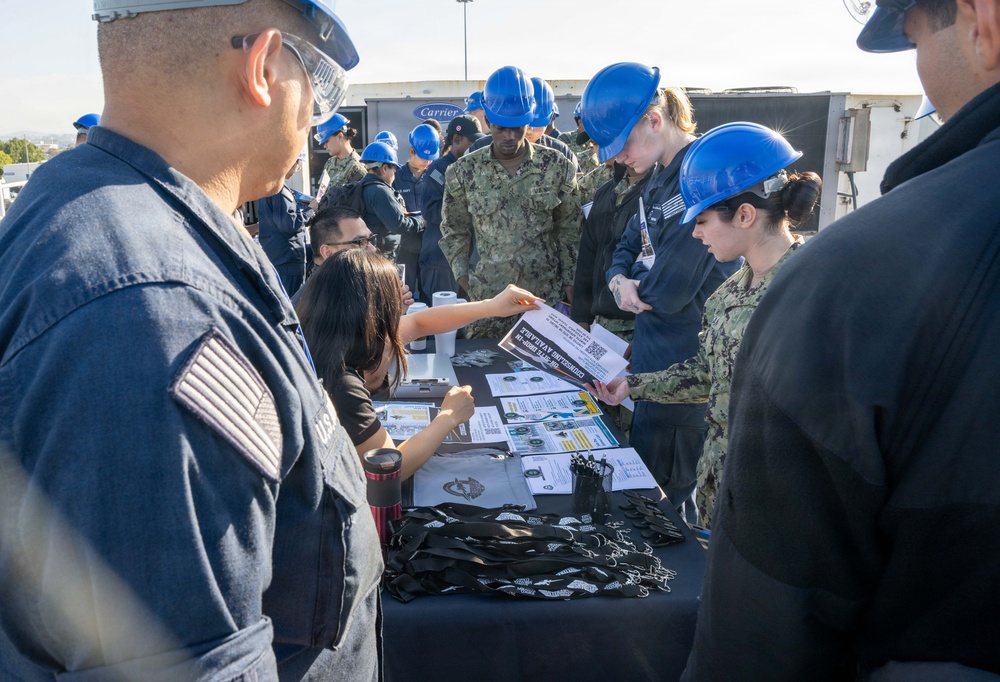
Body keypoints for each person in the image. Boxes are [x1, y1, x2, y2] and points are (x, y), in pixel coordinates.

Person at [0, 1, 382, 681]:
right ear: (262, 66)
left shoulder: (134, 214)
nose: (316, 117)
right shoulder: (150, 317)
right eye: (318, 83)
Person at [682, 1, 1000, 678]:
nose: (695, 235)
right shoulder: (737, 295)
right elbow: (707, 382)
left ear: (983, 23)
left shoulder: (842, 286)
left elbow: (776, 613)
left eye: (915, 39)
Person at [588, 122, 820, 529]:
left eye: (703, 220)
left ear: (744, 215)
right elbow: (707, 373)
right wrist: (634, 386)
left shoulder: (809, 297)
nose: (694, 233)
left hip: (770, 510)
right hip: (721, 495)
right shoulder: (730, 291)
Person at [585, 62, 741, 520]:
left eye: (622, 145)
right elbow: (628, 243)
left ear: (655, 120)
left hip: (683, 369)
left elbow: (670, 289)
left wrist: (635, 282)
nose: (617, 159)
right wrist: (618, 279)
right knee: (646, 493)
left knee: (666, 507)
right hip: (653, 361)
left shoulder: (701, 176)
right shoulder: (656, 175)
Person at [296, 249, 542, 479]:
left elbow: (419, 324)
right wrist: (448, 417)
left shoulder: (322, 338)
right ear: (372, 312)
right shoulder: (341, 384)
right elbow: (389, 468)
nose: (401, 310)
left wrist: (492, 306)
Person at [440, 65, 582, 338]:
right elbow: (453, 230)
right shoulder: (462, 172)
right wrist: (465, 280)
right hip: (488, 302)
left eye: (517, 128)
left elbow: (570, 231)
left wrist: (570, 285)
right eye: (501, 128)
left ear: (529, 121)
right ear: (488, 121)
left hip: (542, 300)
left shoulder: (557, 167)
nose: (509, 136)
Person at [416, 114, 484, 300]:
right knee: (441, 316)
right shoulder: (439, 169)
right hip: (440, 259)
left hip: (464, 259)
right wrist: (468, 210)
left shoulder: (471, 167)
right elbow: (431, 210)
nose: (475, 147)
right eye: (471, 142)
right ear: (456, 139)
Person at [468, 77, 579, 168]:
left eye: (537, 127)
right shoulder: (478, 149)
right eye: (524, 125)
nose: (529, 131)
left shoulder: (561, 153)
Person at [357, 140, 424, 265]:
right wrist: (421, 220)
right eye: (393, 170)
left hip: (368, 255)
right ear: (384, 168)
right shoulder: (380, 191)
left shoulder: (363, 186)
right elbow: (399, 225)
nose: (394, 175)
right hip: (379, 258)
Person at [392, 124, 441, 298]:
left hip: (431, 244)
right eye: (423, 157)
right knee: (406, 290)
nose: (427, 162)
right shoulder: (396, 175)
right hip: (406, 245)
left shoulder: (436, 175)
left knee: (430, 291)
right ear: (412, 150)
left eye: (430, 159)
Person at [257, 155, 313, 294]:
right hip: (288, 258)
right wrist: (311, 209)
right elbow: (290, 225)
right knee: (293, 302)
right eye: (297, 165)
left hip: (277, 256)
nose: (297, 169)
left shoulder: (269, 187)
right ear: (289, 162)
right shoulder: (280, 191)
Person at [314, 111, 365, 202]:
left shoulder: (357, 168)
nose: (324, 146)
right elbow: (322, 192)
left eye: (327, 141)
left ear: (340, 137)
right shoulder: (330, 162)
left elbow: (355, 204)